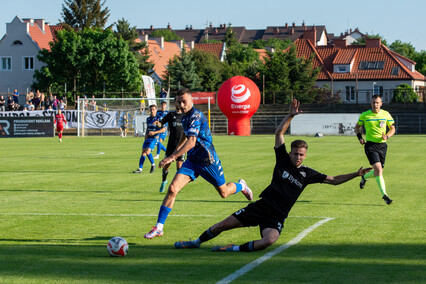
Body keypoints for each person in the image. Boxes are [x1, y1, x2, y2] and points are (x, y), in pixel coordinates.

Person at [174, 99, 373, 252]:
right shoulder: (283, 159)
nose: (297, 157)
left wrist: (356, 174)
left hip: (278, 215)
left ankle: (232, 248)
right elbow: (279, 134)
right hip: (262, 206)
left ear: (305, 156)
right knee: (224, 225)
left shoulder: (307, 173)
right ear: (290, 153)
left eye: (301, 155)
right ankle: (195, 242)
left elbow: (334, 180)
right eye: (295, 153)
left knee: (268, 240)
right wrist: (290, 116)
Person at [144, 88, 253, 239]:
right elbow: (184, 134)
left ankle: (242, 185)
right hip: (192, 161)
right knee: (173, 189)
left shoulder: (196, 115)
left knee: (224, 192)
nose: (181, 105)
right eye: (179, 102)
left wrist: (173, 156)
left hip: (208, 161)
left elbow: (192, 141)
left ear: (191, 101)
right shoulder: (184, 117)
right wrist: (175, 151)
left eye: (184, 102)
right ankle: (159, 228)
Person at [355, 95, 395, 205]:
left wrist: (386, 136)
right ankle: (384, 195)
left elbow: (393, 128)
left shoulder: (385, 114)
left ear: (381, 103)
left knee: (379, 171)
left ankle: (364, 177)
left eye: (377, 102)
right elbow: (357, 127)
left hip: (382, 146)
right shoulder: (365, 115)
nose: (375, 104)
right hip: (370, 145)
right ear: (370, 103)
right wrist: (360, 138)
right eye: (373, 102)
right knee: (378, 168)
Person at [155, 98, 185, 193]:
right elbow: (161, 124)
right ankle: (164, 181)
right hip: (171, 145)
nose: (179, 104)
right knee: (166, 166)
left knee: (179, 167)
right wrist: (158, 124)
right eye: (177, 102)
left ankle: (177, 186)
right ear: (175, 103)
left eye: (181, 102)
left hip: (181, 146)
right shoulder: (171, 115)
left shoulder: (185, 116)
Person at [132, 104, 162, 174]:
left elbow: (163, 128)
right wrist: (146, 134)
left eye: (153, 109)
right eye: (151, 109)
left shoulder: (158, 118)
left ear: (156, 110)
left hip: (155, 138)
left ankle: (153, 165)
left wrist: (155, 131)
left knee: (148, 151)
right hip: (148, 137)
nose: (152, 111)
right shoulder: (148, 119)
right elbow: (148, 128)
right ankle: (140, 169)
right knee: (143, 152)